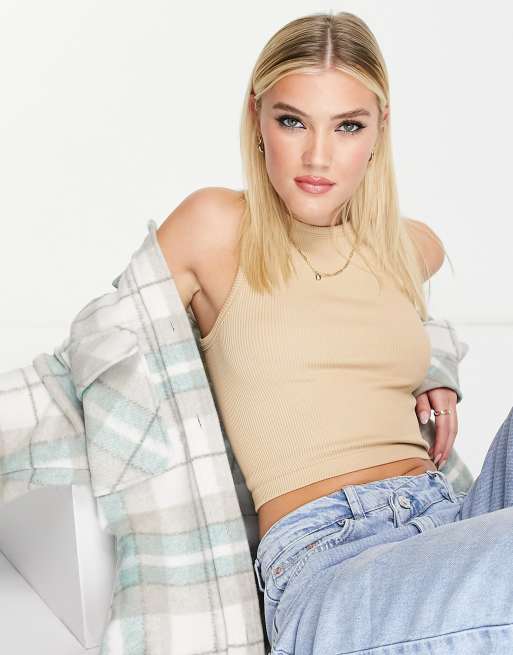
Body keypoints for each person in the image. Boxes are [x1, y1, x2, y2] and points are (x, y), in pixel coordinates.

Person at [156, 10, 513, 654]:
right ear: (257, 119)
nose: (318, 155)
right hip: (331, 566)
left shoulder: (404, 246)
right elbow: (105, 348)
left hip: (448, 518)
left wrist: (435, 359)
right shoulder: (215, 227)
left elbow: (395, 315)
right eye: (293, 121)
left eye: (348, 126)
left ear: (379, 131)